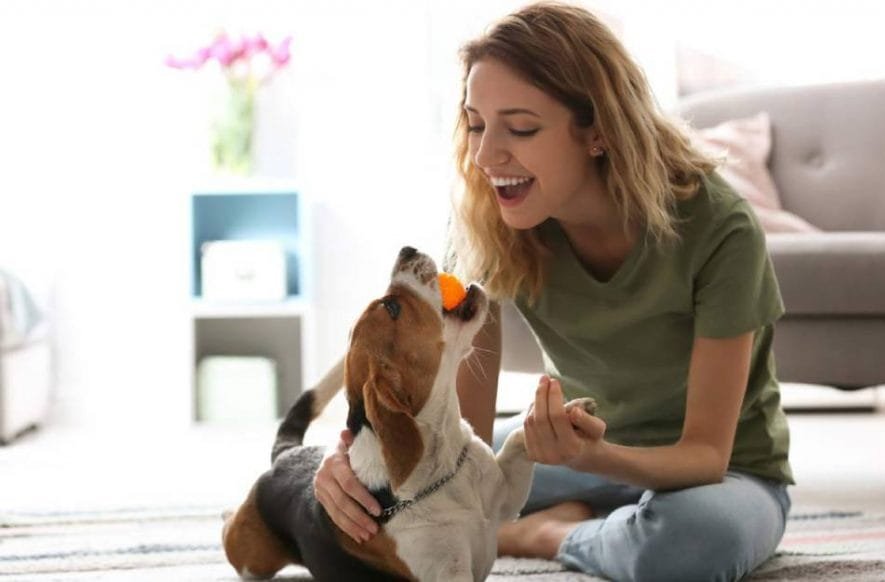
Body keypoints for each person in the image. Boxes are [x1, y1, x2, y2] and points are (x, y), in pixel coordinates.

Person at [315, 2, 793, 580]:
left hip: (723, 476)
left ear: (598, 131)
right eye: (476, 124)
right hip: (567, 450)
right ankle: (603, 520)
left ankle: (549, 533)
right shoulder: (486, 222)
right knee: (371, 496)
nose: (485, 155)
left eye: (520, 128)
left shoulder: (720, 227)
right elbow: (462, 432)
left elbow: (707, 456)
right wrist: (352, 463)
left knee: (688, 549)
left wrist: (595, 456)